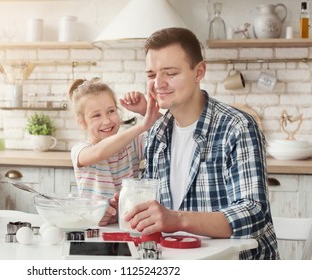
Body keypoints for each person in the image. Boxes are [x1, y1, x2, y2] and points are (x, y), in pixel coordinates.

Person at [119, 27, 279, 260]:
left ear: (199, 72)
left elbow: (253, 213)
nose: (158, 84)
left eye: (170, 73)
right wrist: (127, 206)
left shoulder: (237, 127)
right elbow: (156, 207)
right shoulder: (156, 133)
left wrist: (177, 219)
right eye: (151, 75)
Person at [67, 78, 159, 224]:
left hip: (129, 226)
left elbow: (167, 131)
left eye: (111, 111)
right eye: (96, 115)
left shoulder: (132, 144)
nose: (107, 120)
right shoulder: (80, 150)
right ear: (82, 122)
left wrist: (145, 109)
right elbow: (100, 153)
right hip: (94, 227)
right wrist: (142, 126)